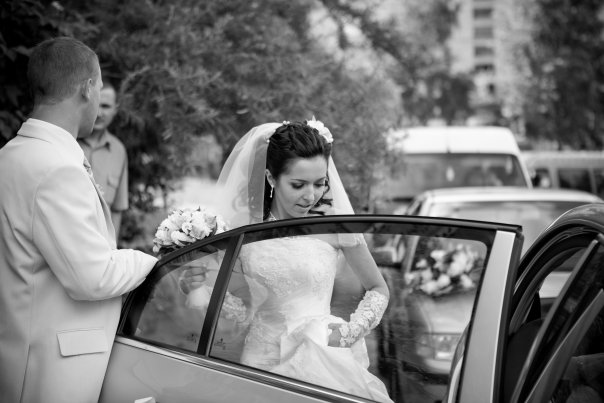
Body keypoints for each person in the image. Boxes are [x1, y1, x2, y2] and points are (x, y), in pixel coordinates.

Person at [0, 37, 157, 403]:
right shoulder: (57, 168)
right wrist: (151, 259)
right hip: (49, 373)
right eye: (99, 85)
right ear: (87, 88)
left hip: (20, 353)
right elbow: (93, 277)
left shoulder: (11, 154)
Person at [198, 119, 392, 401]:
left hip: (321, 357)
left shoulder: (335, 228)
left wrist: (351, 331)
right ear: (271, 178)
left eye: (320, 184)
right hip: (262, 361)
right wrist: (200, 289)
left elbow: (378, 287)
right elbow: (240, 313)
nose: (310, 196)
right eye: (298, 185)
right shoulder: (245, 233)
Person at [77, 76, 128, 237]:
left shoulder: (119, 151)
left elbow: (117, 210)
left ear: (115, 109)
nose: (99, 113)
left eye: (105, 106)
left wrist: (112, 248)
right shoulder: (67, 142)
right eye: (96, 104)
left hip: (101, 245)